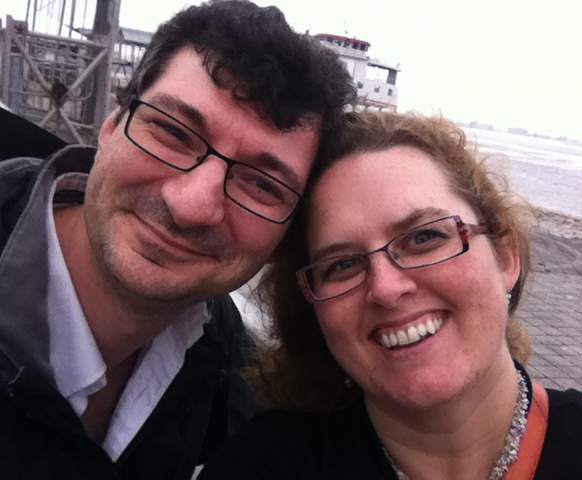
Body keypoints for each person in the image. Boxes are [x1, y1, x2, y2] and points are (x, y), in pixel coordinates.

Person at [0, 1, 354, 478]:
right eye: (171, 132)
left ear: (284, 238)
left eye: (261, 185)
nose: (192, 205)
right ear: (111, 126)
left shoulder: (219, 347)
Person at [200, 111, 582, 479]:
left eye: (425, 237)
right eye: (343, 264)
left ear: (506, 257)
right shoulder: (261, 465)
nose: (387, 289)